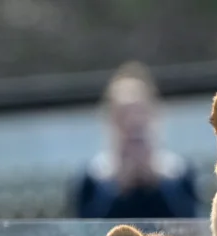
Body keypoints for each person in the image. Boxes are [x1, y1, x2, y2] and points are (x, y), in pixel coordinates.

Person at [70, 61, 199, 220]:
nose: (132, 123)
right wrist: (119, 187)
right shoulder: (94, 176)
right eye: (123, 115)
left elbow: (189, 222)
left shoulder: (177, 171)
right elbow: (87, 227)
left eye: (140, 113)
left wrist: (155, 182)